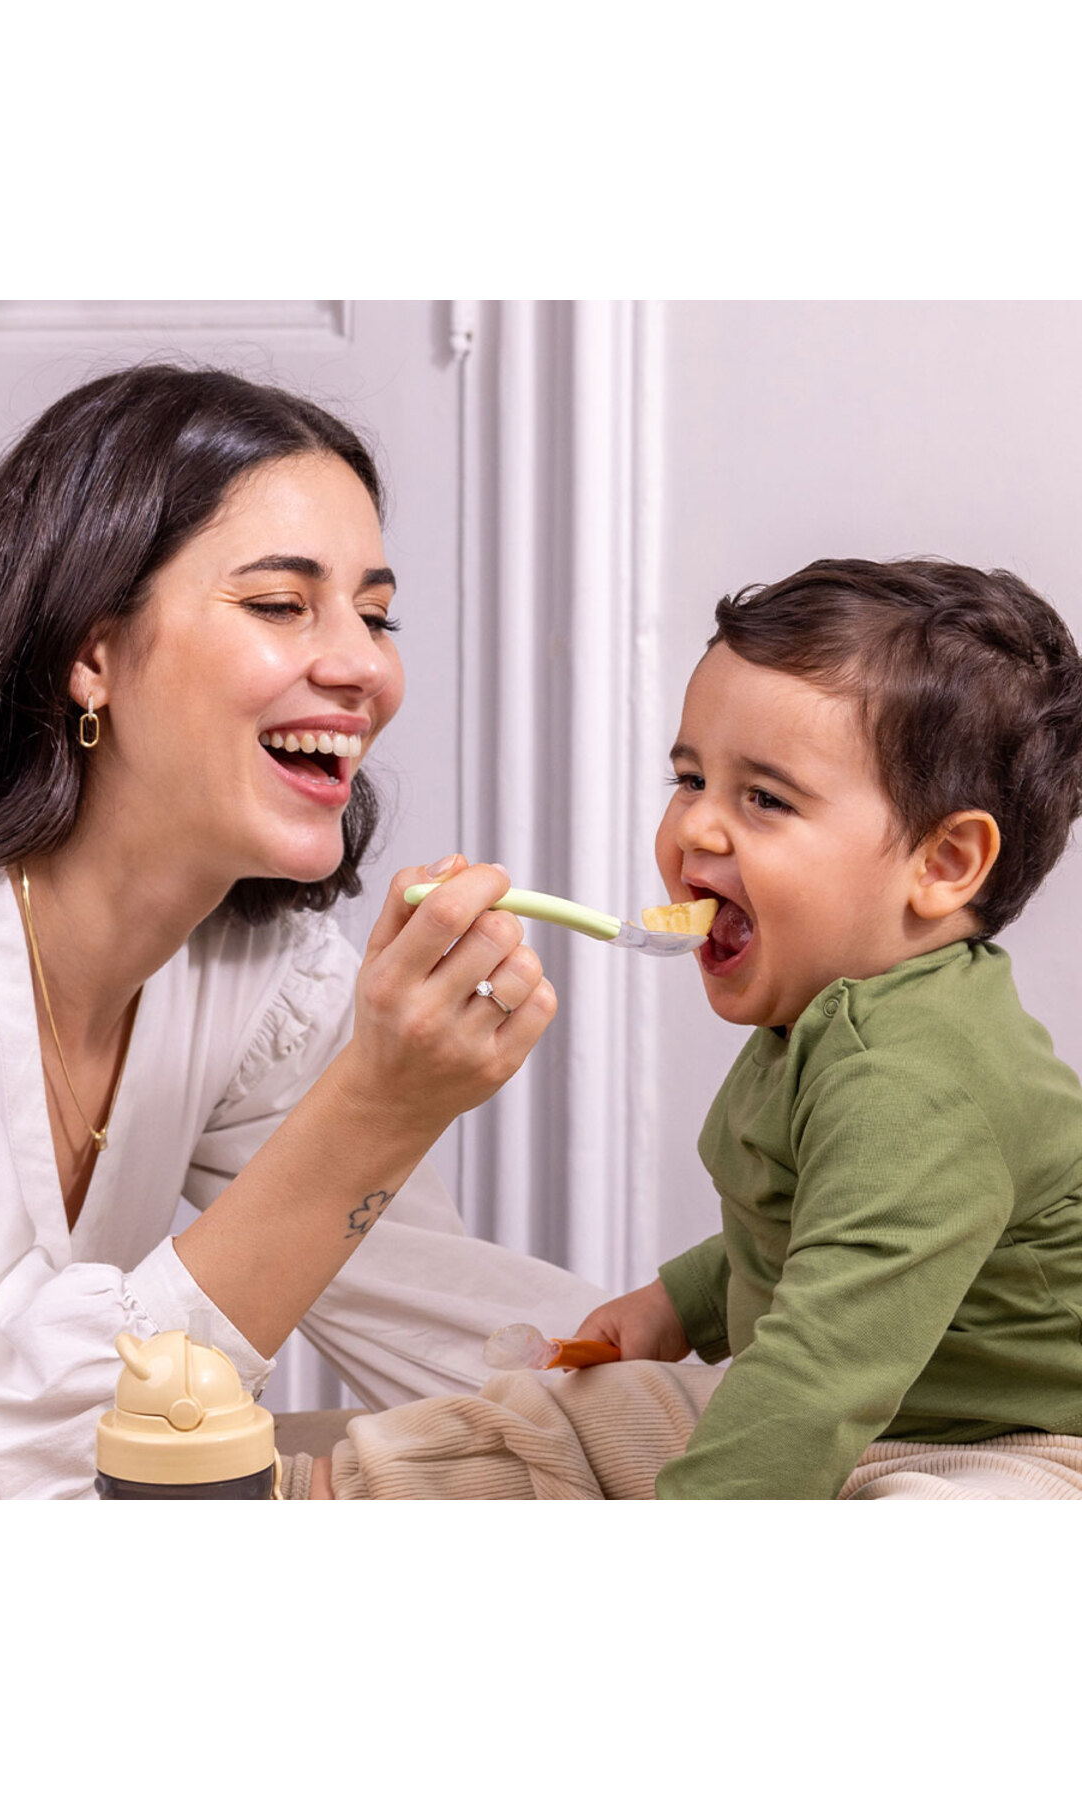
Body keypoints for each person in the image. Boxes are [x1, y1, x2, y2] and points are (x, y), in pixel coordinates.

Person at [0, 363, 608, 1500]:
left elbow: (464, 1342)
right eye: (280, 604)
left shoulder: (250, 977)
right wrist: (375, 1109)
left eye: (375, 615)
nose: (365, 665)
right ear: (92, 652)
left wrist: (814, 1359)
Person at [286, 557, 1082, 1500]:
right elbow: (814, 1239)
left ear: (944, 862)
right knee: (582, 1414)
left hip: (1019, 1445)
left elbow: (823, 1367)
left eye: (766, 799)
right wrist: (682, 1303)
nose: (696, 829)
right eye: (691, 777)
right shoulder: (828, 1019)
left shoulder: (918, 1075)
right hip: (862, 1406)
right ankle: (324, 1497)